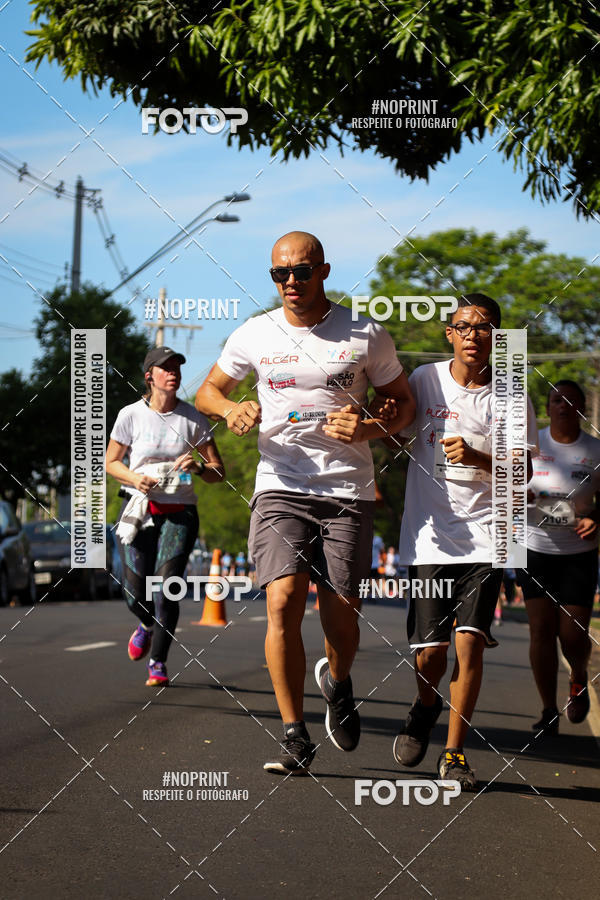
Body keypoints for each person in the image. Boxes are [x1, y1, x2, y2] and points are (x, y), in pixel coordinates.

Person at [195, 230, 415, 774]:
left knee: (340, 617)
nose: (291, 282)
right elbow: (206, 392)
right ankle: (294, 735)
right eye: (280, 273)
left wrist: (367, 426)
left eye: (302, 271)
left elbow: (404, 408)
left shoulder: (365, 334)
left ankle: (338, 684)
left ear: (324, 271)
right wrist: (229, 410)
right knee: (282, 600)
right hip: (280, 485)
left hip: (346, 490)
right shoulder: (254, 333)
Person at [387, 294, 538, 791]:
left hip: (490, 535)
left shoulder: (513, 396)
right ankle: (425, 704)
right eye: (464, 326)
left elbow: (523, 475)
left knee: (469, 644)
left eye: (486, 327)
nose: (475, 335)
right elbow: (392, 429)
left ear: (498, 337)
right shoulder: (422, 380)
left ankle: (454, 754)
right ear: (448, 333)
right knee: (430, 654)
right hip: (430, 537)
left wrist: (477, 457)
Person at [105, 347, 224, 686]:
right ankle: (145, 625)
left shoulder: (193, 419)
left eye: (177, 368)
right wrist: (134, 477)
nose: (173, 373)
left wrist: (200, 467)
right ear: (149, 376)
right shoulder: (131, 415)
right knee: (134, 592)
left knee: (166, 587)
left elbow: (219, 470)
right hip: (138, 509)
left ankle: (157, 661)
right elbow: (111, 461)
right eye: (166, 368)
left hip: (180, 513)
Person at [516, 381, 600, 732]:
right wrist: (523, 498)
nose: (563, 406)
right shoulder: (532, 445)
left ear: (582, 408)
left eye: (571, 401)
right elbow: (506, 487)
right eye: (556, 400)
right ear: (547, 407)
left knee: (572, 633)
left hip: (577, 553)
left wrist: (596, 518)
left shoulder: (595, 450)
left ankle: (578, 675)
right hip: (534, 547)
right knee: (540, 629)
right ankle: (548, 709)